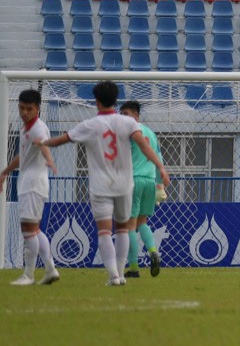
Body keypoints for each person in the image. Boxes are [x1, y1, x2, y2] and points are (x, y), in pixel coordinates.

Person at [44, 80, 169, 288]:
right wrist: (161, 168)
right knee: (125, 228)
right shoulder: (130, 124)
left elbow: (63, 140)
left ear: (96, 101)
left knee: (105, 231)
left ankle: (115, 276)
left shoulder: (90, 124)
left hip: (102, 185)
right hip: (127, 183)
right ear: (115, 100)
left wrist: (41, 143)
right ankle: (123, 271)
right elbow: (146, 147)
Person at [1, 88, 57, 286]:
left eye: (29, 109)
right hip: (29, 182)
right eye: (21, 108)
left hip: (34, 183)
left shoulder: (38, 128)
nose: (24, 112)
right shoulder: (25, 128)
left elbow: (43, 143)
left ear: (38, 109)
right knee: (34, 229)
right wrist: (5, 171)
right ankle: (50, 268)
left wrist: (50, 159)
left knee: (27, 229)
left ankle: (29, 274)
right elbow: (22, 156)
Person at [119, 100, 163, 279]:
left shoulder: (128, 133)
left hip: (134, 181)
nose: (123, 118)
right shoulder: (151, 134)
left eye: (127, 114)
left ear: (136, 115)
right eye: (121, 115)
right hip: (150, 181)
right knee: (142, 222)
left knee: (129, 224)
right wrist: (159, 184)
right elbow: (159, 157)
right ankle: (153, 251)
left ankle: (134, 268)